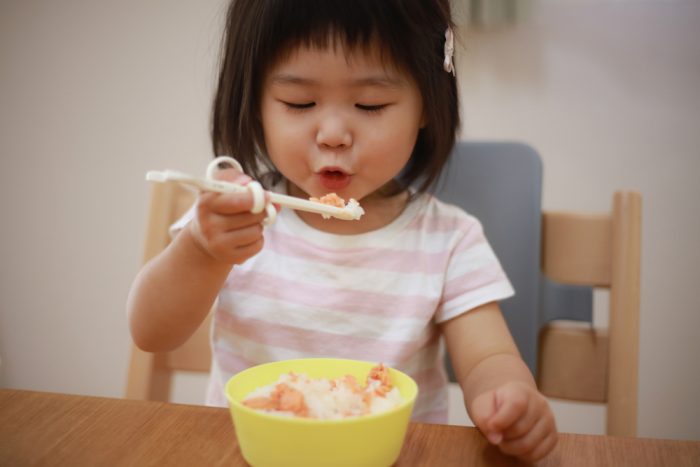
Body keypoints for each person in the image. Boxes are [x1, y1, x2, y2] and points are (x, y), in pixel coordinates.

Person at [127, 0, 557, 461]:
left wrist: (506, 397)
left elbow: (488, 358)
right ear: (254, 104)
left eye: (370, 104)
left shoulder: (448, 239)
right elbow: (151, 333)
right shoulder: (230, 217)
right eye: (300, 103)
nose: (333, 132)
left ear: (426, 106)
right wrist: (201, 251)